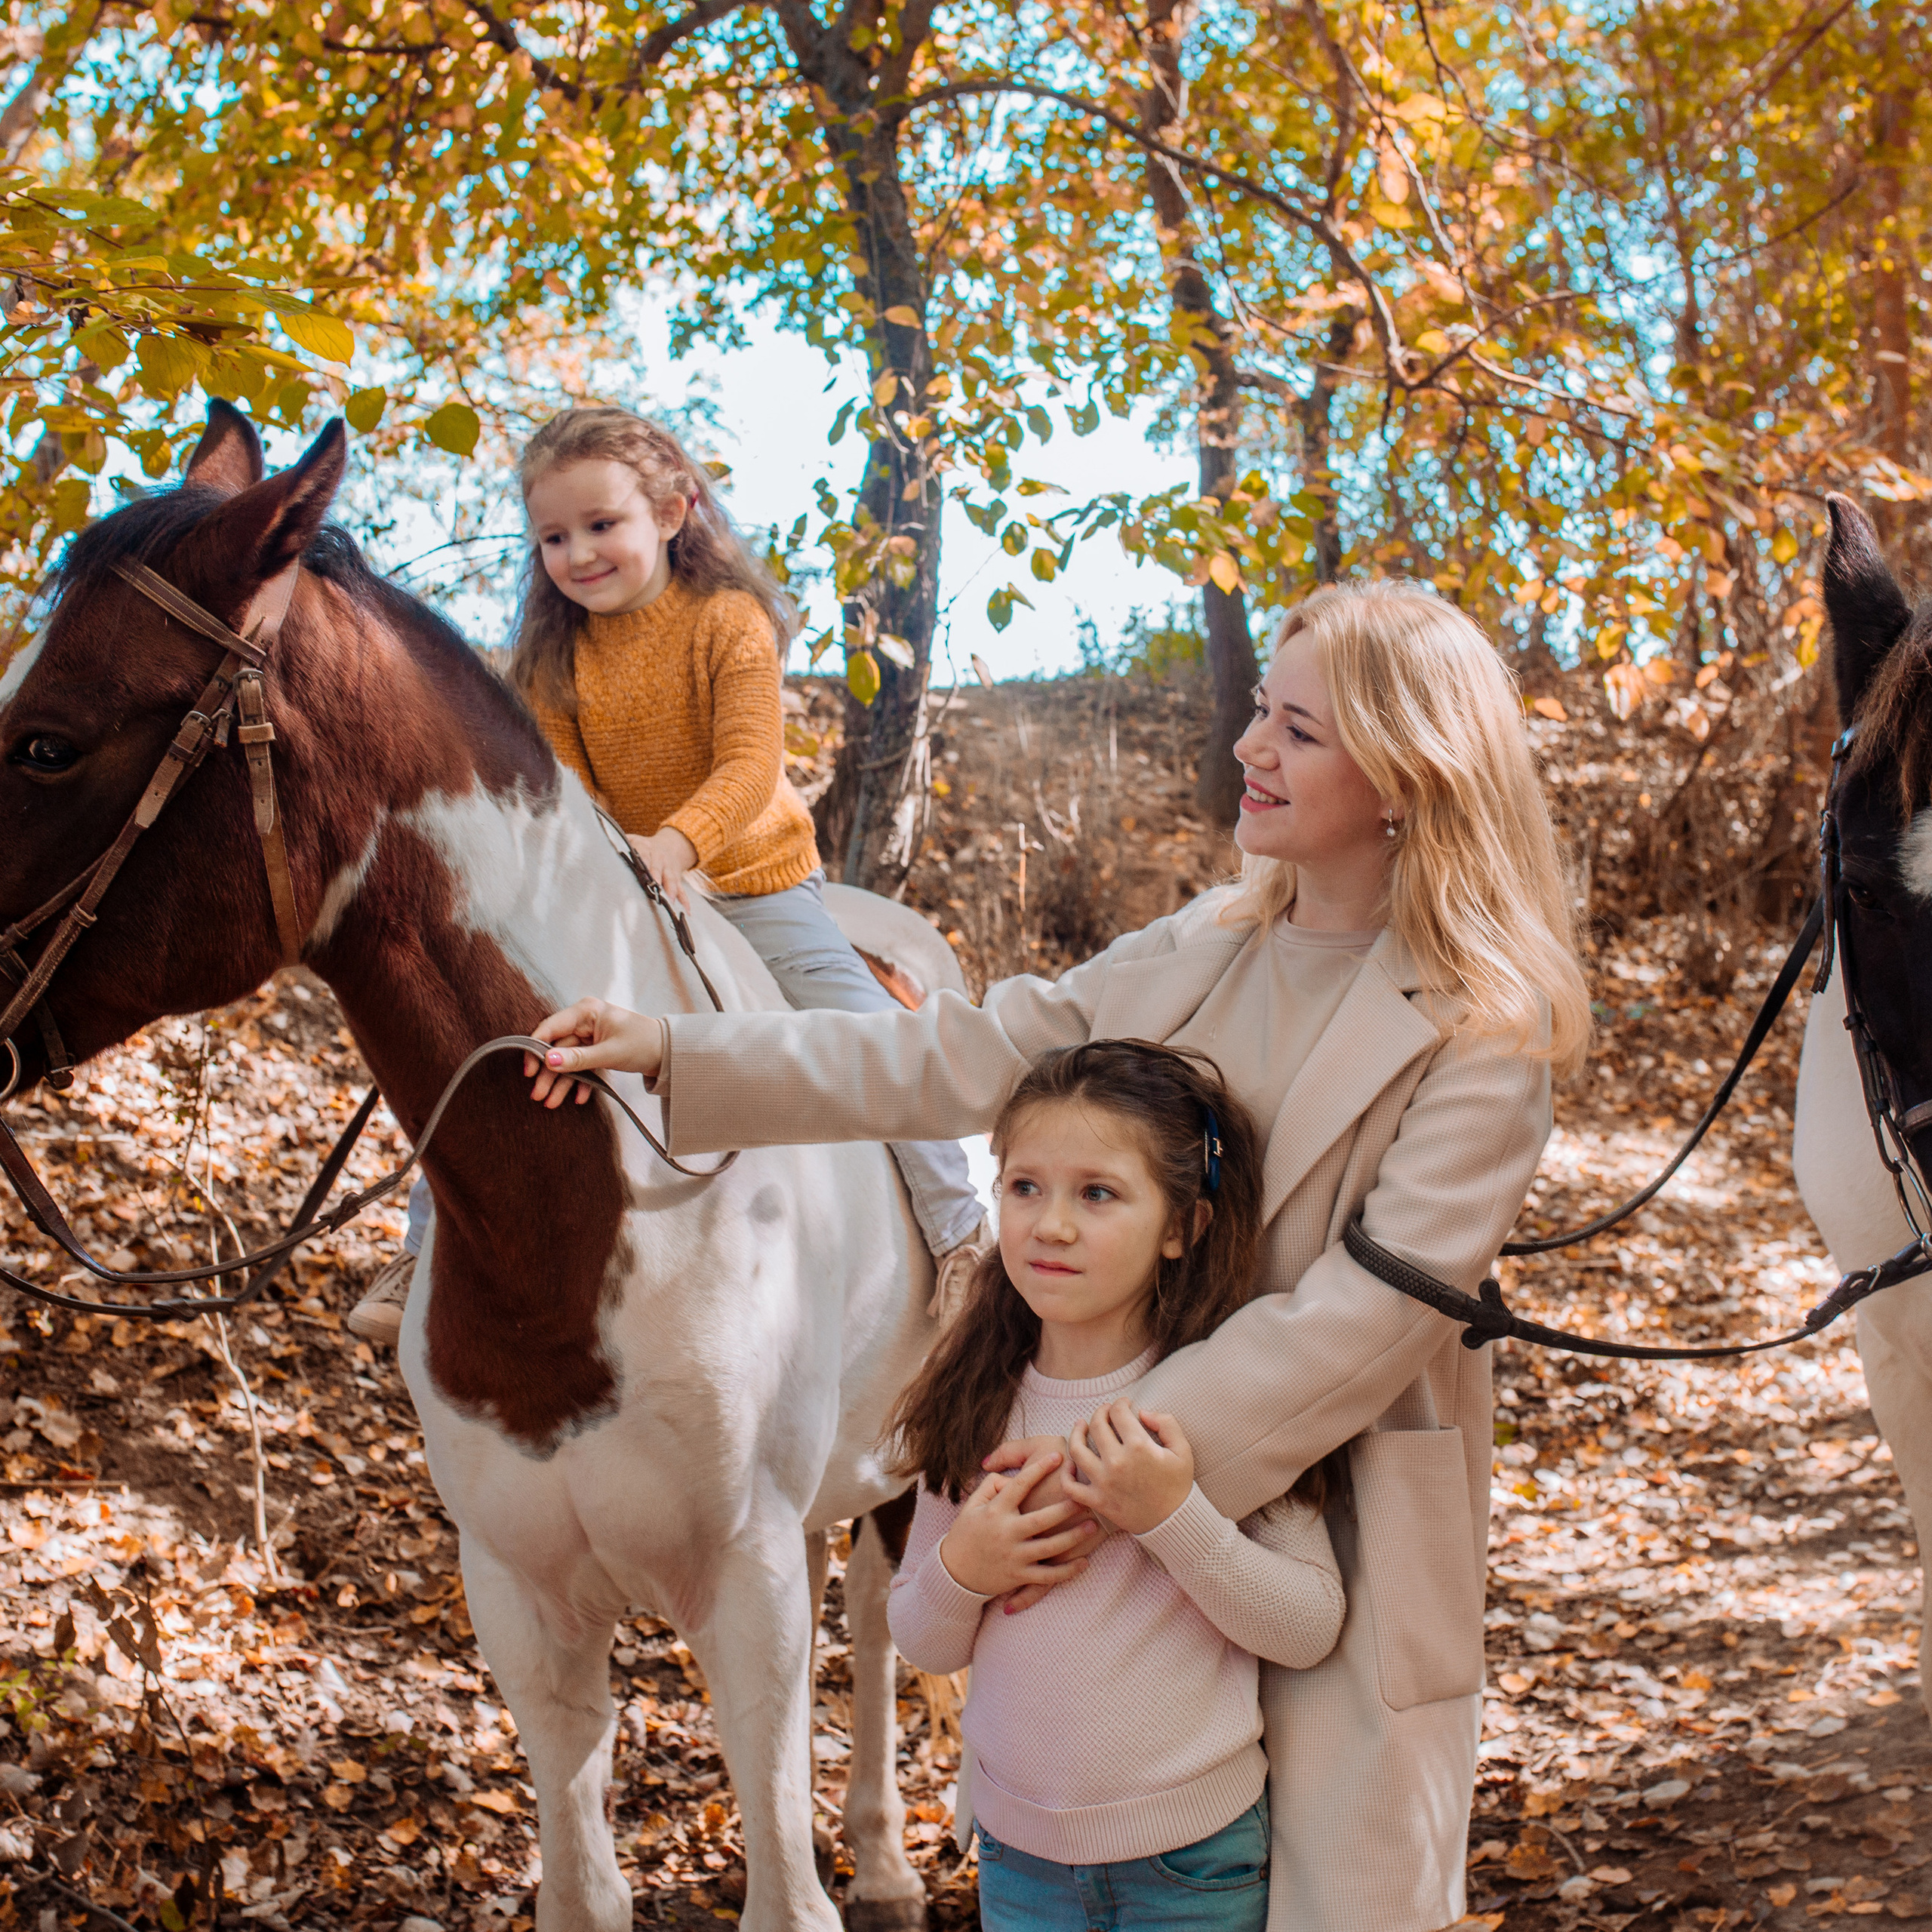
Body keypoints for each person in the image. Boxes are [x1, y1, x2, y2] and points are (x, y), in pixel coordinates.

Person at [521, 580, 1593, 1932]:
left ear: (1408, 772)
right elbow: (954, 1049)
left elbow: (1359, 1322)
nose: (1250, 748)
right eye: (1261, 710)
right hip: (1110, 1530)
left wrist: (1088, 1465)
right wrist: (681, 1051)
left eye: (1299, 730)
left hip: (1328, 1522)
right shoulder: (1208, 942)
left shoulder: (1487, 1028)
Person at [346, 405, 986, 1346]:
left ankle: (960, 1229)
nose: (579, 553)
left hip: (755, 878)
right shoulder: (556, 659)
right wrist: (614, 863)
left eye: (602, 525)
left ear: (674, 512)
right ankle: (428, 1243)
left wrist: (675, 848)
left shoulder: (726, 621)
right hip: (629, 880)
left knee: (863, 1018)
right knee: (498, 1024)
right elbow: (568, 795)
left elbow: (748, 770)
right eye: (554, 537)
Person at [886, 1038, 1343, 1932]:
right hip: (1018, 1865)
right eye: (1024, 1186)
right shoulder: (976, 1395)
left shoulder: (1227, 1397)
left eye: (1096, 1193)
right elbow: (922, 1637)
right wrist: (964, 1567)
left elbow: (1308, 1623)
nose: (1049, 1224)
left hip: (1191, 1862)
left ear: (1182, 1226)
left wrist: (1175, 1516)